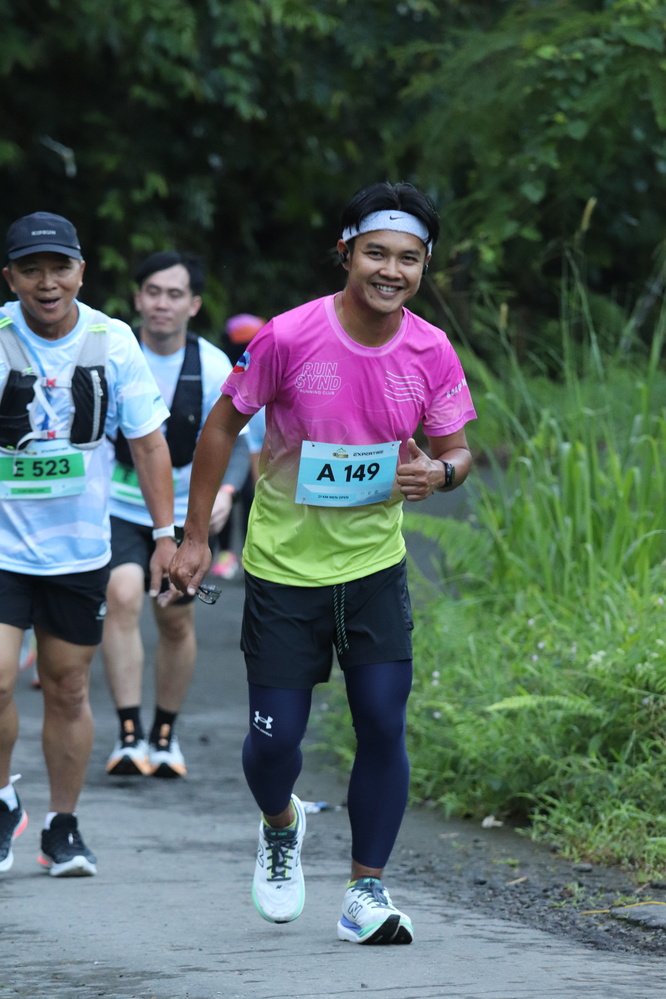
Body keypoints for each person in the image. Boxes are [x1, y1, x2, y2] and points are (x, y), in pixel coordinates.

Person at [168, 182, 477, 944]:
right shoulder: (289, 336)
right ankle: (282, 823)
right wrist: (195, 537)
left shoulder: (431, 350)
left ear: (424, 265)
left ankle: (366, 890)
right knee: (276, 743)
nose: (391, 270)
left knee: (382, 723)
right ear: (345, 252)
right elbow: (222, 425)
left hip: (373, 570)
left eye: (408, 258)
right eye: (376, 252)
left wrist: (439, 474)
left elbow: (457, 451)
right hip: (284, 571)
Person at [0, 212, 175, 877]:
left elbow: (149, 443)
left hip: (78, 551)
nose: (47, 283)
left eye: (60, 268)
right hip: (2, 548)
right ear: (10, 277)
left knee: (69, 687)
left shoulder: (113, 340)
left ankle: (61, 827)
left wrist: (166, 537)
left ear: (81, 271)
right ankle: (2, 800)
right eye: (31, 270)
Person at [102, 252, 249, 779]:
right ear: (137, 298)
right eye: (153, 292)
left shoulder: (213, 366)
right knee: (121, 594)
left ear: (194, 305)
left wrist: (226, 492)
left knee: (173, 615)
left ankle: (164, 735)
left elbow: (237, 441)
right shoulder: (113, 356)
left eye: (174, 294)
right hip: (120, 504)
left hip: (187, 510)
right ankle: (128, 735)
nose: (162, 303)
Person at [210, 314, 266, 580]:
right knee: (228, 495)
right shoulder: (224, 373)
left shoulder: (266, 372)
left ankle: (246, 552)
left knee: (249, 496)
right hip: (232, 451)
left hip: (256, 451)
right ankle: (226, 554)